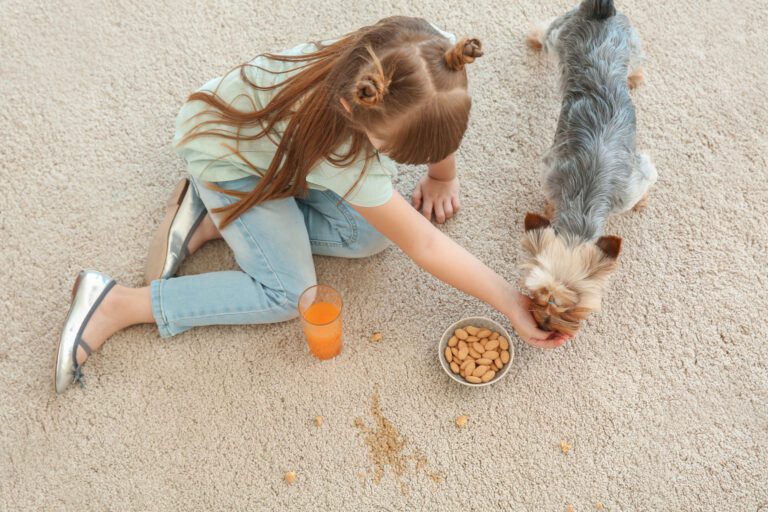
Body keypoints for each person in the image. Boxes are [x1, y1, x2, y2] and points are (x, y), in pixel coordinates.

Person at [55, 16, 569, 394]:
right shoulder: (342, 154)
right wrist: (508, 300)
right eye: (393, 154)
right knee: (288, 295)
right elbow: (424, 243)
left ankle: (224, 219)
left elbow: (440, 120)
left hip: (272, 155)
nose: (397, 163)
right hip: (227, 162)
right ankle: (119, 301)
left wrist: (442, 172)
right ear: (357, 112)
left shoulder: (423, 54)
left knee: (371, 236)